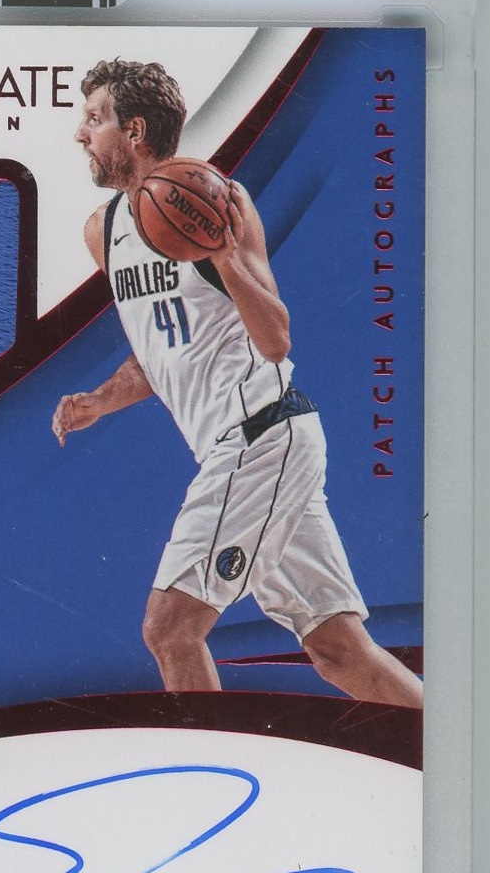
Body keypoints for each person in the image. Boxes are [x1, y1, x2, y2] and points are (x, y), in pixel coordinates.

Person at [52, 58, 422, 707]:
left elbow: (274, 337)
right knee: (338, 648)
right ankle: (439, 745)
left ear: (134, 131)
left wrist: (224, 257)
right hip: (252, 450)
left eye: (93, 118)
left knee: (170, 628)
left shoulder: (218, 201)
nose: (80, 133)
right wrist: (99, 401)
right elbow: (159, 352)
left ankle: (200, 764)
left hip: (261, 435)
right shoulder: (103, 232)